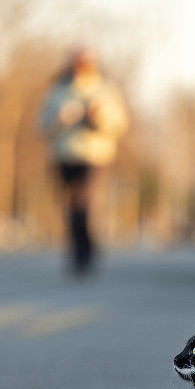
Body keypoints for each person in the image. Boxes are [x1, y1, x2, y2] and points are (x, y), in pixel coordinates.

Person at [40, 49, 128, 273]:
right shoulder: (59, 90)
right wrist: (59, 120)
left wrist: (99, 119)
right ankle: (80, 249)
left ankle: (85, 253)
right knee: (70, 206)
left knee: (82, 202)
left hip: (94, 155)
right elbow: (41, 125)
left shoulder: (106, 89)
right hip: (64, 155)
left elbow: (120, 124)